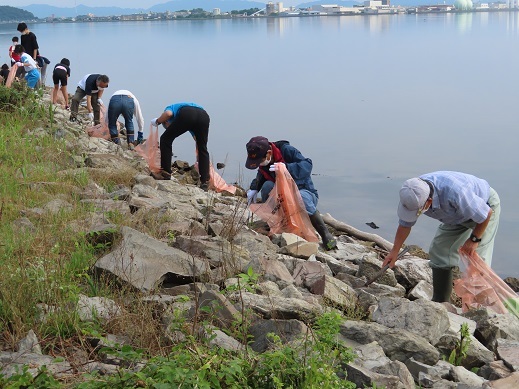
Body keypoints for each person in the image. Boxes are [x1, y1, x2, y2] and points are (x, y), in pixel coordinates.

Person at [382, 171, 500, 303]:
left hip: (484, 208)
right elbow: (405, 225)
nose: (415, 214)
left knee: (477, 262)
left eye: (417, 212)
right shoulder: (412, 192)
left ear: (429, 202)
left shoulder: (456, 193)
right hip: (456, 215)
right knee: (440, 250)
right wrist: (394, 251)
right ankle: (441, 303)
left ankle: (482, 312)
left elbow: (486, 214)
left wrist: (474, 239)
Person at [244, 136, 337, 250]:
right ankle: (273, 223)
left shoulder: (286, 150)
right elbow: (262, 175)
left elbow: (307, 165)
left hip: (304, 191)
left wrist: (287, 168)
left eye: (260, 161)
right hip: (282, 196)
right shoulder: (264, 162)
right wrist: (254, 188)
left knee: (301, 197)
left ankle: (325, 234)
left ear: (268, 153)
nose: (260, 164)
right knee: (267, 186)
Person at [150, 103, 210, 190]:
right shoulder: (189, 121)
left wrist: (157, 121)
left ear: (166, 121)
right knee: (202, 147)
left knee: (165, 139)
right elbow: (197, 140)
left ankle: (165, 173)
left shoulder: (169, 108)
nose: (168, 128)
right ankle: (205, 181)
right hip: (204, 116)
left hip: (187, 113)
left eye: (167, 127)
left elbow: (168, 114)